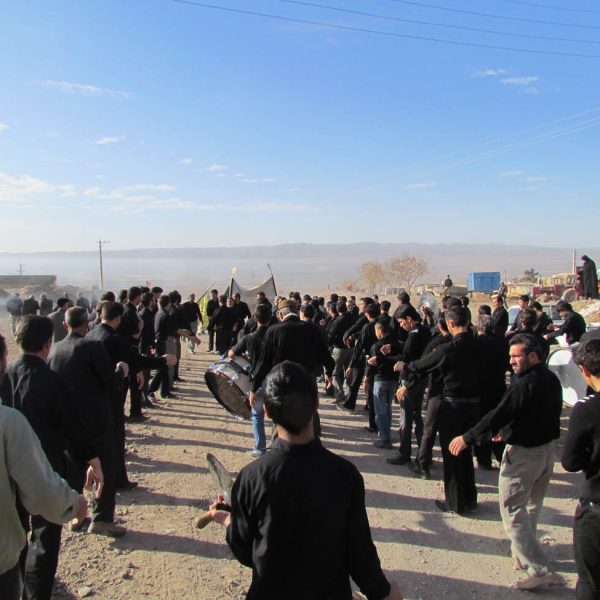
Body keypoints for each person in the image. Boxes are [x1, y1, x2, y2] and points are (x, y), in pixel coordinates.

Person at [209, 361, 403, 600]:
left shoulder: (251, 477)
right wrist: (383, 593)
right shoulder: (345, 475)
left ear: (267, 411)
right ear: (316, 404)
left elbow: (246, 551)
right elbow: (359, 552)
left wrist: (229, 520)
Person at [449, 334, 563, 590]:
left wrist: (467, 438)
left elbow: (497, 414)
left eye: (516, 356)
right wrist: (509, 430)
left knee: (513, 511)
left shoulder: (523, 385)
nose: (511, 361)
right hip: (545, 453)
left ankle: (540, 569)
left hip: (524, 456)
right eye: (510, 356)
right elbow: (534, 413)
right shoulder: (551, 379)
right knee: (530, 508)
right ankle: (522, 553)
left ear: (533, 356)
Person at [0, 317, 101, 600]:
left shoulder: (7, 376)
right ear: (48, 344)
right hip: (46, 469)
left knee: (16, 531)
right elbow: (72, 426)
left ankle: (19, 582)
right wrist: (92, 460)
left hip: (8, 475)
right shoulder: (51, 380)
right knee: (45, 538)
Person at [396, 305, 481, 514]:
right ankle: (470, 498)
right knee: (466, 451)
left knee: (452, 454)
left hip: (452, 405)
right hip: (474, 406)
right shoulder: (481, 346)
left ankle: (455, 502)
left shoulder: (447, 349)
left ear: (450, 324)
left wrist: (405, 367)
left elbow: (422, 365)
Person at [49, 307, 126, 537]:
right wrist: (120, 372)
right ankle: (102, 518)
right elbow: (109, 382)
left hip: (67, 424)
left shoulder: (55, 349)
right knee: (106, 468)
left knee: (75, 471)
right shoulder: (92, 347)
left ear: (65, 325)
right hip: (95, 422)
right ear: (87, 324)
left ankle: (76, 516)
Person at [562, 339, 600, 599]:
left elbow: (570, 462)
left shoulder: (586, 409)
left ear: (584, 370)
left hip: (596, 506)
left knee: (591, 582)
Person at [386, 304, 431, 467]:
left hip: (410, 380)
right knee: (418, 416)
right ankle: (424, 453)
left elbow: (407, 357)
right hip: (422, 378)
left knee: (405, 417)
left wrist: (386, 358)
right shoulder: (425, 331)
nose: (401, 325)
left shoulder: (413, 335)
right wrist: (393, 348)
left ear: (409, 319)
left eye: (401, 322)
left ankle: (404, 453)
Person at [228, 304, 272, 457]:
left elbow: (232, 353)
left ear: (254, 318)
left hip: (257, 380)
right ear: (270, 318)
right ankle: (278, 446)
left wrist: (231, 351)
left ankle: (260, 448)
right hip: (274, 379)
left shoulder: (249, 338)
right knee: (277, 414)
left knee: (257, 415)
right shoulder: (275, 336)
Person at [365, 320, 402, 449]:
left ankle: (384, 438)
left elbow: (371, 365)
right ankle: (386, 434)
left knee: (380, 410)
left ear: (380, 331)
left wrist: (366, 379)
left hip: (380, 379)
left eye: (376, 331)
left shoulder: (377, 346)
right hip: (393, 379)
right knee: (387, 408)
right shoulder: (396, 344)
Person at [206, 289, 219, 353]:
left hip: (218, 321)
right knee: (211, 335)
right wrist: (211, 320)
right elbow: (208, 312)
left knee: (218, 335)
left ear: (216, 294)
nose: (212, 295)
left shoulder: (219, 302)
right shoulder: (209, 302)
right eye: (212, 294)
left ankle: (217, 349)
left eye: (213, 294)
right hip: (211, 321)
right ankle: (210, 348)